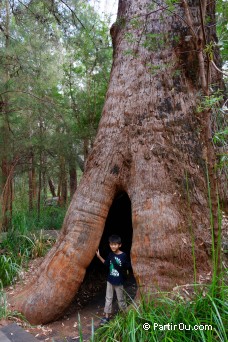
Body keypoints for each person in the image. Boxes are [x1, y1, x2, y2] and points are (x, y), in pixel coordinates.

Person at [96, 234, 130, 325]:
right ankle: (106, 317)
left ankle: (125, 316)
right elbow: (106, 264)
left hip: (119, 282)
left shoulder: (123, 255)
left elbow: (127, 266)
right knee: (108, 298)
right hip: (110, 280)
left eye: (115, 244)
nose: (113, 246)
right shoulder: (110, 254)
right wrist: (99, 256)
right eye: (111, 244)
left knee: (121, 299)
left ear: (120, 245)